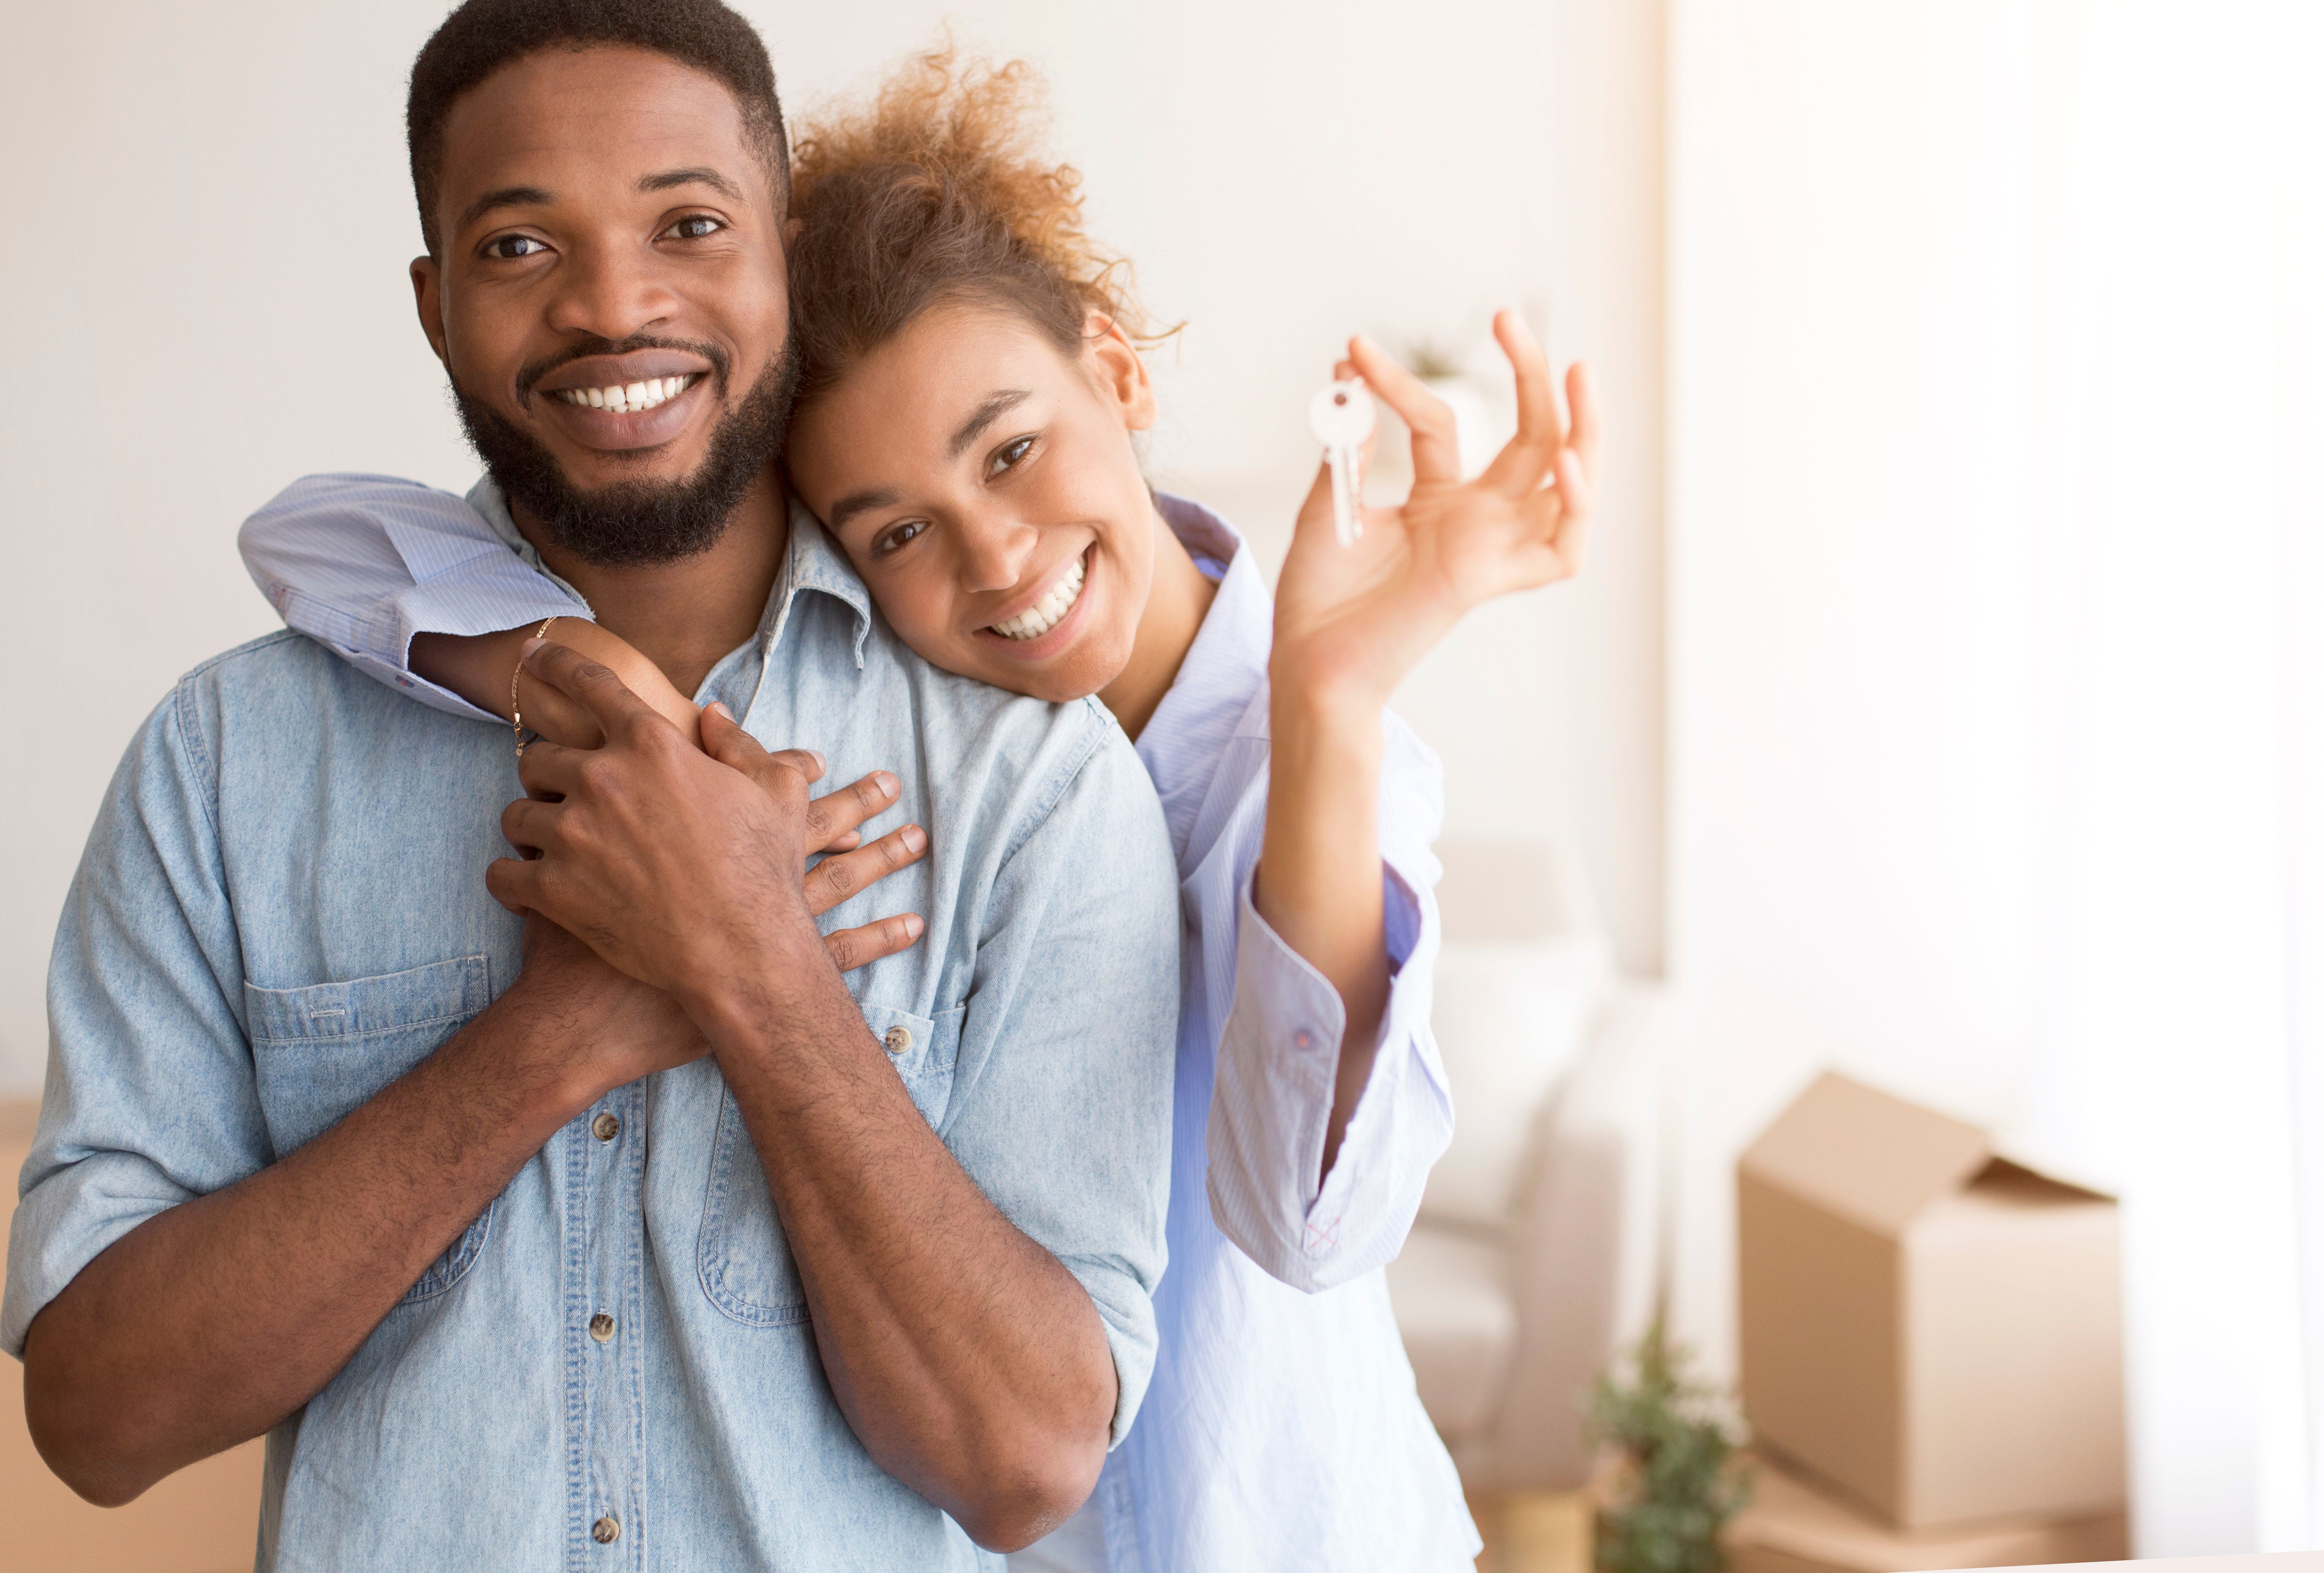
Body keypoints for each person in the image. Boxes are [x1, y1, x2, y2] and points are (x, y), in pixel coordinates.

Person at [236, 44, 1601, 1573]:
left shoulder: (1299, 753)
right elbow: (313, 541)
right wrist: (598, 671)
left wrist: (1334, 701)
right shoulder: (899, 743)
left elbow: (1314, 1223)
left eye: (1012, 450)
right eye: (900, 530)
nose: (1002, 559)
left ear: (1122, 370)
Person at [1, 6, 1185, 1570]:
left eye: (688, 224)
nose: (614, 305)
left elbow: (1028, 1460)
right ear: (433, 306)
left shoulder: (1030, 780)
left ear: (785, 246)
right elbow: (95, 1417)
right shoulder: (230, 762)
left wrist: (753, 960)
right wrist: (560, 1032)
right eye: (516, 248)